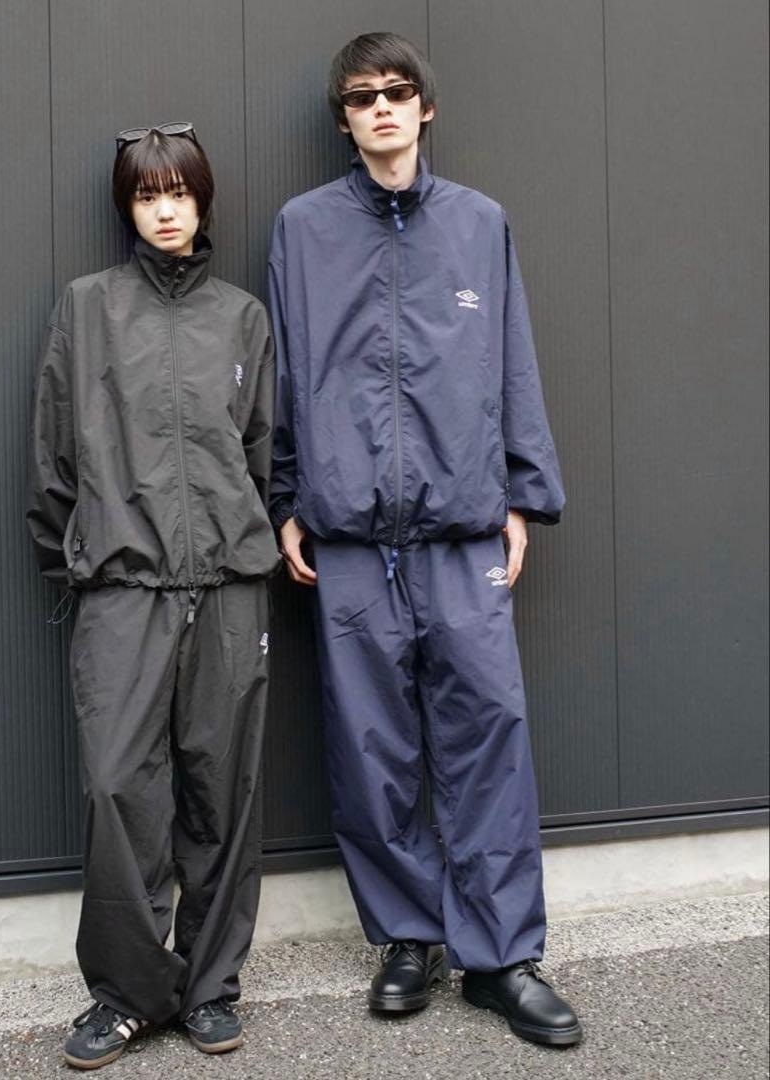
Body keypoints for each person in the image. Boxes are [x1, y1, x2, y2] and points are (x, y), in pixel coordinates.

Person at [268, 33, 582, 1047]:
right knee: (372, 750)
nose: (382, 108)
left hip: (459, 534)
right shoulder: (303, 230)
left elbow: (511, 359)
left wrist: (522, 496)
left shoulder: (478, 224)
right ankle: (408, 938)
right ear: (344, 118)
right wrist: (286, 498)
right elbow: (284, 374)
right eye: (362, 96)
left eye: (398, 92)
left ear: (425, 107)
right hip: (350, 538)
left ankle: (501, 958)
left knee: (488, 736)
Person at [27, 123, 279, 1069]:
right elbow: (52, 455)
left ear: (202, 200)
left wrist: (245, 546)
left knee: (223, 789)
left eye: (179, 192)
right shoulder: (87, 307)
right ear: (127, 208)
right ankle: (130, 994)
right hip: (122, 589)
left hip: (229, 589)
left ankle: (211, 989)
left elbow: (264, 453)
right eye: (146, 195)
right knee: (117, 789)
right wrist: (81, 559)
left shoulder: (243, 318)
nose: (165, 210)